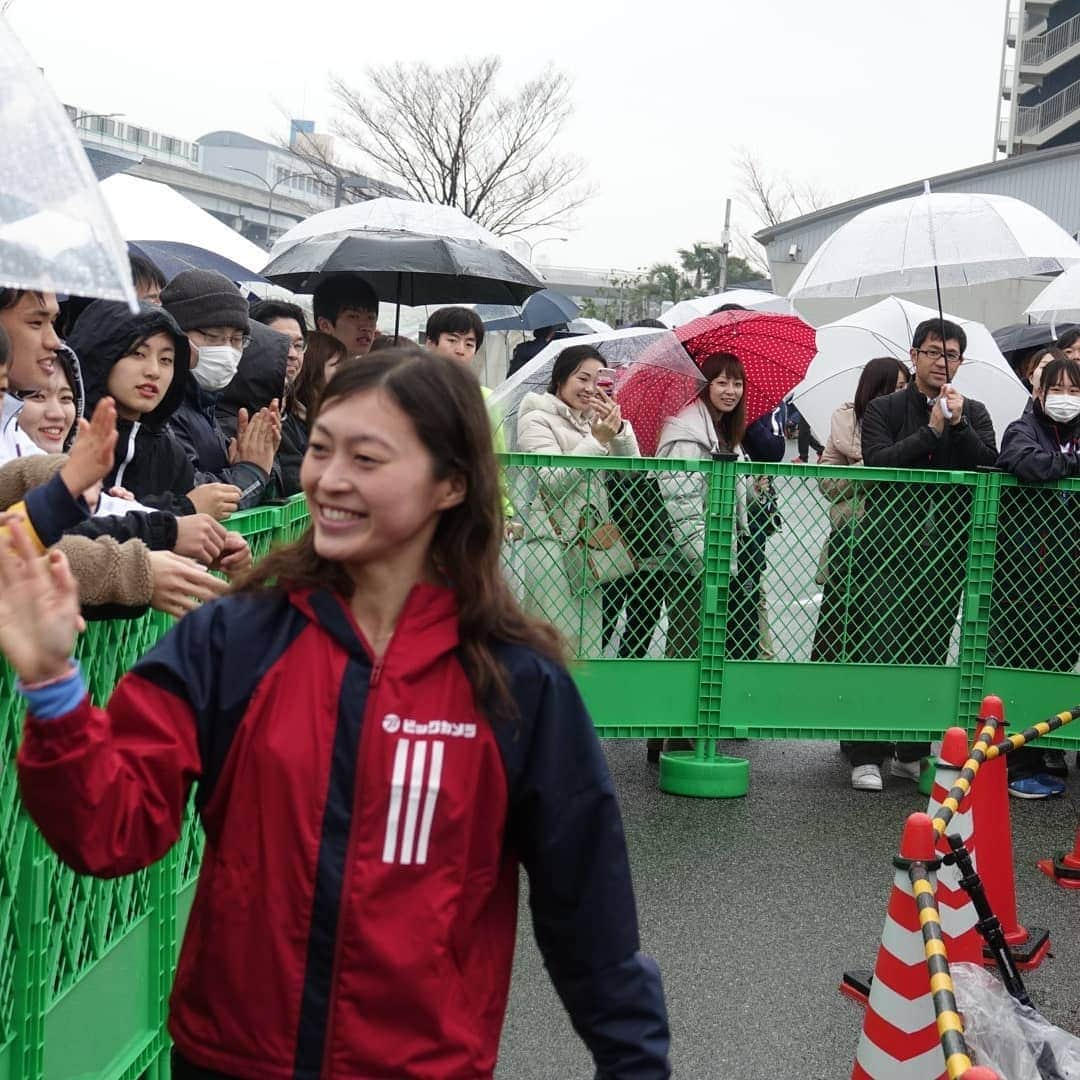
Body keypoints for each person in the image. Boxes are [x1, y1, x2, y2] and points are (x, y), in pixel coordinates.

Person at [5, 347, 671, 1080]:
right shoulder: (233, 639)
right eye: (321, 449)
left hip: (422, 1064)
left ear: (451, 484)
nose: (330, 479)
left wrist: (633, 1059)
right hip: (230, 1058)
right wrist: (53, 685)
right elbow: (111, 831)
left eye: (368, 457)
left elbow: (591, 917)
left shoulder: (516, 681)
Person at [848, 320, 997, 788]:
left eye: (951, 354)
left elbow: (988, 462)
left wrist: (958, 426)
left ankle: (912, 748)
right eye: (933, 352)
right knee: (880, 644)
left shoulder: (973, 409)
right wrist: (930, 433)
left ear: (961, 361)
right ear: (914, 355)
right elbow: (879, 464)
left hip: (948, 550)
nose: (942, 362)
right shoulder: (884, 408)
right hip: (889, 547)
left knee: (929, 646)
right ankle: (865, 751)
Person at [10, 339, 250, 574]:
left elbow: (103, 514)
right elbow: (56, 540)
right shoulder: (24, 457)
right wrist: (177, 519)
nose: (56, 413)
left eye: (66, 398)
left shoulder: (168, 449)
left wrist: (209, 538)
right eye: (37, 396)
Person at [810, 357, 911, 791]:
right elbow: (828, 481)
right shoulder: (846, 418)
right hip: (854, 541)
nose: (900, 392)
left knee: (894, 640)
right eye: (896, 384)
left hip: (901, 544)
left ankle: (898, 743)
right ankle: (853, 734)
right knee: (848, 635)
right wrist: (870, 467)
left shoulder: (915, 418)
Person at [989, 350, 1080, 798]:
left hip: (1070, 576)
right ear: (1038, 392)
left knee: (1058, 664)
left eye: (1074, 390)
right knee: (1021, 664)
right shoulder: (1022, 428)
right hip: (1025, 574)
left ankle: (1042, 752)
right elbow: (1026, 463)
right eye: (1057, 389)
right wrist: (1068, 467)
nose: (1065, 398)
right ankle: (1014, 764)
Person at [515, 344, 641, 654]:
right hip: (550, 548)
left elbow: (633, 470)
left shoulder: (591, 422)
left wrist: (619, 429)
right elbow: (553, 481)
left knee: (586, 647)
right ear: (560, 379)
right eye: (582, 378)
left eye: (598, 381)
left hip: (589, 550)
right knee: (550, 647)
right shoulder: (535, 419)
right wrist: (596, 440)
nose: (590, 388)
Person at [68, 300, 240, 521]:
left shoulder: (167, 450)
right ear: (101, 355)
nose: (154, 371)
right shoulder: (67, 432)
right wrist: (184, 509)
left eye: (166, 360)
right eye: (138, 354)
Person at [656, 353, 764, 665]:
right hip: (692, 561)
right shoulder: (688, 431)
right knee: (689, 644)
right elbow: (681, 502)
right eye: (722, 382)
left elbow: (732, 489)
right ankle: (677, 712)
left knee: (707, 644)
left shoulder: (721, 428)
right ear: (706, 385)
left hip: (716, 553)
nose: (731, 390)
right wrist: (708, 559)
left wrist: (753, 490)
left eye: (737, 383)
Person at [161, 270, 281, 509]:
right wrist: (251, 472)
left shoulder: (205, 403)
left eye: (237, 340)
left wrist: (244, 463)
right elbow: (193, 495)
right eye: (214, 337)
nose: (227, 351)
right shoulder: (162, 410)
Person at [425, 306, 518, 534]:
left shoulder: (486, 399)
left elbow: (495, 457)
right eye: (452, 340)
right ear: (430, 344)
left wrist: (501, 509)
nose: (461, 350)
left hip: (466, 509)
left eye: (469, 343)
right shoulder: (410, 390)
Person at [278, 332, 347, 496]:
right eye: (338, 367)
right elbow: (294, 477)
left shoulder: (320, 416)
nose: (346, 374)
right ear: (314, 367)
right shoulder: (287, 417)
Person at [312, 273, 379, 358]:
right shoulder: (302, 368)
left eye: (371, 317)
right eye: (354, 316)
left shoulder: (369, 370)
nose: (366, 327)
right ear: (325, 326)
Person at [249, 299, 307, 394]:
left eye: (298, 345)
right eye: (281, 344)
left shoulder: (306, 409)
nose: (293, 355)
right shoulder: (224, 406)